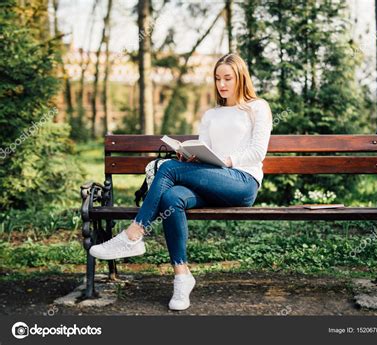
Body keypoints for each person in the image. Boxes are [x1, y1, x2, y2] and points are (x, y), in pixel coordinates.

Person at [89, 53, 273, 311]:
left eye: (228, 78)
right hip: (211, 182)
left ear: (241, 77)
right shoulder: (211, 114)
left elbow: (257, 153)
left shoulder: (257, 107)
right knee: (171, 198)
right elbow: (205, 150)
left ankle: (134, 234)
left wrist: (224, 161)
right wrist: (190, 157)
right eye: (218, 78)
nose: (221, 84)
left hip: (242, 183)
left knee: (166, 168)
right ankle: (182, 276)